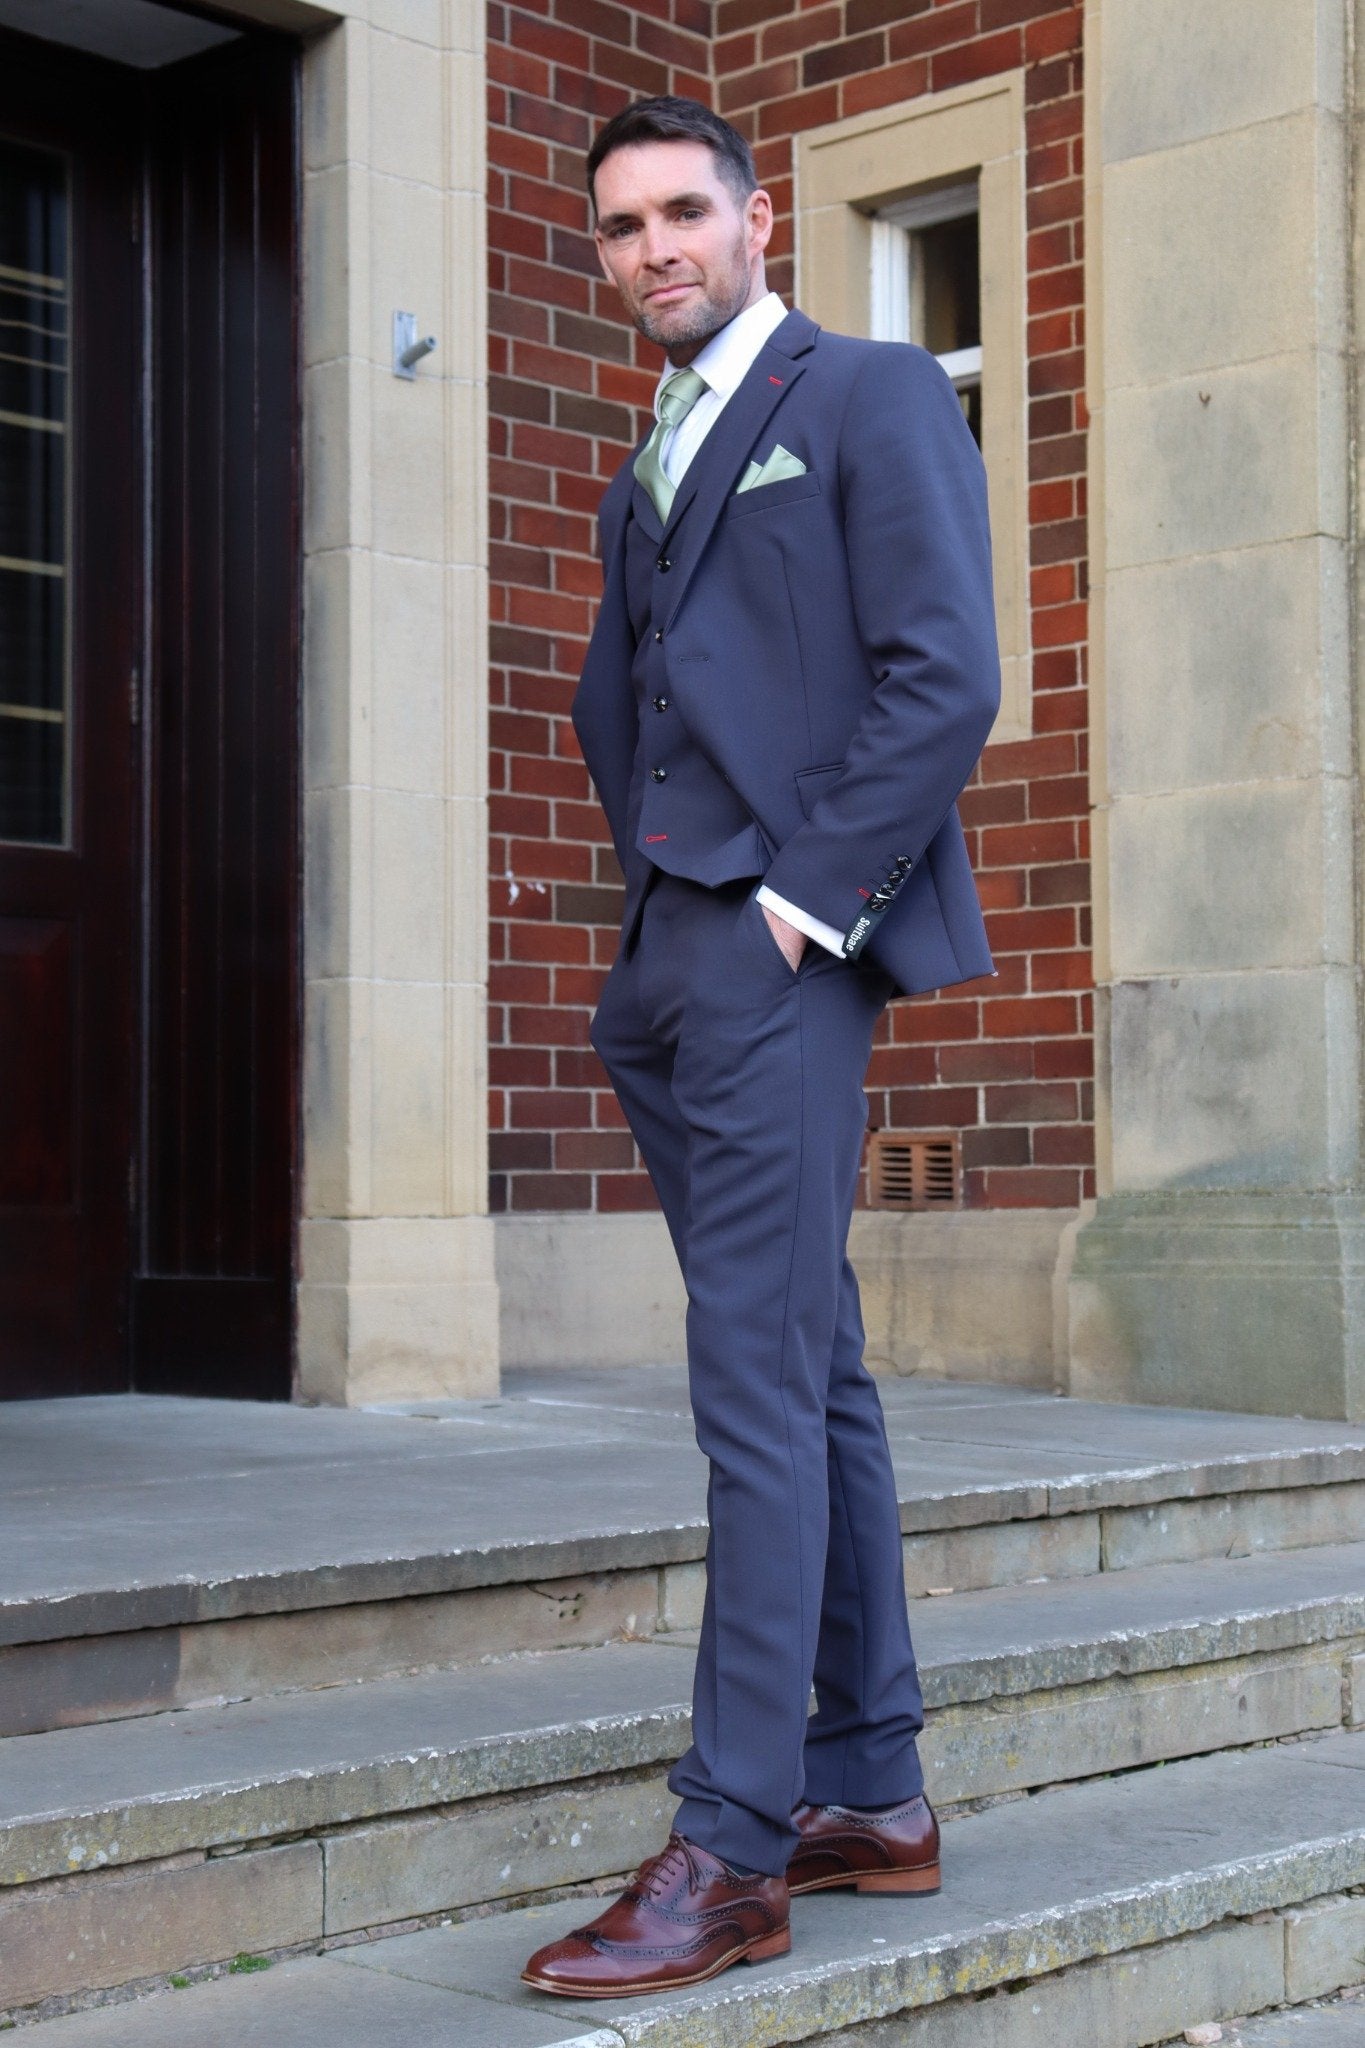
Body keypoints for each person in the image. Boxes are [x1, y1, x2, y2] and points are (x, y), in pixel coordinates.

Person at [521, 95, 1000, 2001]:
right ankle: (868, 1788)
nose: (650, 249)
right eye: (619, 227)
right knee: (810, 1370)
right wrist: (664, 906)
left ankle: (728, 1846)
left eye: (680, 214)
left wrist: (799, 903)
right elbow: (630, 688)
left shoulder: (868, 393)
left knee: (750, 1387)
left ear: (755, 215)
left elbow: (945, 672)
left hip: (778, 945)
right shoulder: (656, 440)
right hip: (677, 956)